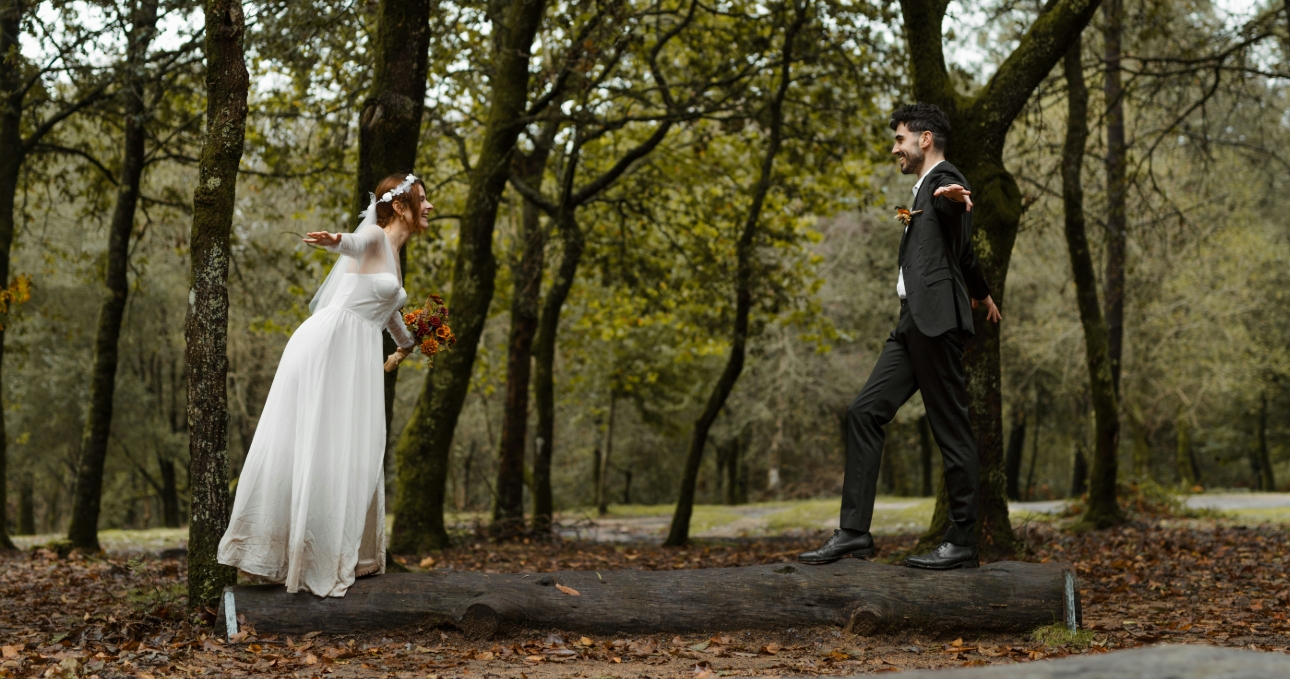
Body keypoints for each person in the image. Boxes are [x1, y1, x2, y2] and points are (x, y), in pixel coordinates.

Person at [799, 103, 1001, 570]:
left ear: (924, 139)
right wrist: (983, 293)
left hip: (936, 322)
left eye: (900, 139)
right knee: (865, 412)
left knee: (951, 430)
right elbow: (962, 252)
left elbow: (951, 208)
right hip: (912, 322)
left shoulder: (943, 181)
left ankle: (964, 540)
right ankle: (853, 534)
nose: (896, 148)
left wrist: (951, 197)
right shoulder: (925, 189)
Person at [217, 173, 433, 597]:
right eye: (421, 200)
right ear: (400, 206)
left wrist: (412, 343)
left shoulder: (394, 253)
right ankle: (290, 555)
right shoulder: (373, 234)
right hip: (332, 344)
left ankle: (332, 551)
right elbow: (351, 244)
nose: (428, 207)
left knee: (352, 446)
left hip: (358, 349)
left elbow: (384, 308)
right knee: (321, 441)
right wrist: (335, 239)